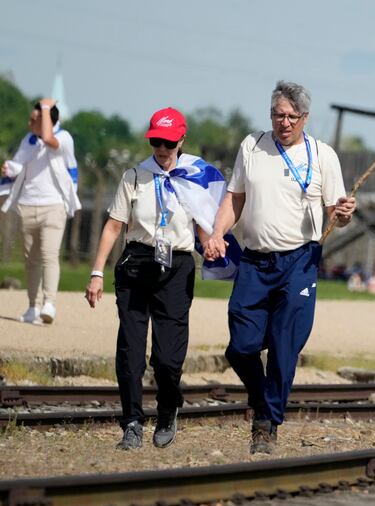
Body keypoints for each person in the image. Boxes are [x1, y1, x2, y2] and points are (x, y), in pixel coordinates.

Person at [204, 81, 355, 454]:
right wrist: (217, 232)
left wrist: (343, 214)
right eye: (277, 115)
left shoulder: (323, 155)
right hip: (254, 261)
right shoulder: (252, 146)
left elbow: (336, 213)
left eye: (291, 117)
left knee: (284, 348)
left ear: (305, 118)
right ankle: (262, 400)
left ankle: (266, 424)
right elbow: (234, 198)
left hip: (299, 261)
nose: (283, 123)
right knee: (241, 347)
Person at [85, 107, 216, 450]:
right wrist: (96, 273)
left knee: (167, 358)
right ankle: (131, 422)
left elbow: (204, 230)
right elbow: (114, 226)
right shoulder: (134, 176)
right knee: (130, 349)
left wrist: (214, 248)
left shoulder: (193, 178)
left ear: (181, 141)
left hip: (178, 266)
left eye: (169, 142)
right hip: (136, 264)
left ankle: (168, 409)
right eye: (156, 140)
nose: (161, 148)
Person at [1, 98, 80, 324]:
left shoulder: (63, 138)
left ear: (48, 119)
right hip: (27, 204)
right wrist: (9, 168)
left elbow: (48, 138)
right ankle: (32, 306)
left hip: (53, 206)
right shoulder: (28, 140)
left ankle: (49, 303)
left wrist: (45, 107)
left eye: (34, 119)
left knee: (49, 255)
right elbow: (19, 164)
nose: (29, 124)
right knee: (30, 260)